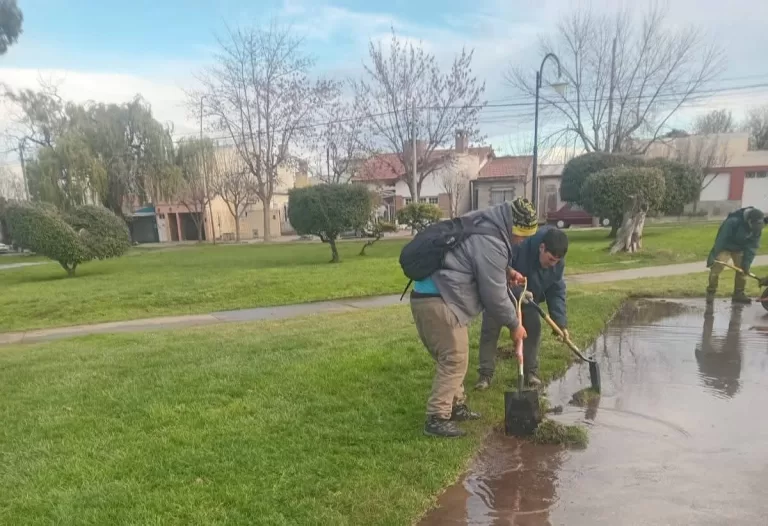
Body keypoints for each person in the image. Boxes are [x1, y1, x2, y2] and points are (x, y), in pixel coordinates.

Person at [409, 198, 538, 438]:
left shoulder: (484, 221)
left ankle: (456, 406)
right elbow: (494, 295)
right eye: (522, 235)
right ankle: (436, 418)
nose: (522, 241)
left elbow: (469, 255)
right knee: (454, 359)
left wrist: (506, 271)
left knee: (455, 356)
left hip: (433, 295)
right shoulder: (492, 240)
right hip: (439, 298)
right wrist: (514, 325)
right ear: (513, 227)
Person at [475, 227, 569, 391]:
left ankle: (530, 374)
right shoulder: (518, 246)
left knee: (533, 329)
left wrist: (560, 323)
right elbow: (497, 272)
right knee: (490, 331)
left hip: (528, 301)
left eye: (556, 261)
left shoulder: (557, 264)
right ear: (542, 247)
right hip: (500, 297)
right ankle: (485, 375)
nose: (552, 264)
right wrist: (518, 292)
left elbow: (556, 290)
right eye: (550, 259)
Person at [706, 206, 768, 305]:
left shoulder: (757, 228)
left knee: (743, 271)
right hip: (725, 246)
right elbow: (721, 239)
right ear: (749, 221)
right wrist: (713, 255)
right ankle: (711, 292)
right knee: (716, 268)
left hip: (740, 248)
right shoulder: (732, 222)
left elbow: (751, 248)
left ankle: (738, 294)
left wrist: (746, 264)